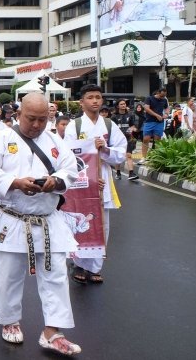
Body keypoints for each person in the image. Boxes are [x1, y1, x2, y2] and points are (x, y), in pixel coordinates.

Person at [0, 92, 82, 355]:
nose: (36, 125)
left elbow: (70, 169)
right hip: (12, 219)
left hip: (47, 221)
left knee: (56, 275)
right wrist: (15, 182)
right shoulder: (1, 139)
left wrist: (55, 182)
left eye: (42, 119)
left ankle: (52, 331)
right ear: (18, 114)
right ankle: (10, 321)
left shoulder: (55, 141)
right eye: (31, 119)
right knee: (9, 274)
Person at [64, 85, 126, 284]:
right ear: (82, 102)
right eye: (90, 97)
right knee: (81, 223)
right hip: (81, 182)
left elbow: (121, 153)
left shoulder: (109, 125)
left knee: (102, 225)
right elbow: (68, 155)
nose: (95, 101)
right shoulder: (75, 126)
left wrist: (105, 149)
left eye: (98, 97)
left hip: (103, 181)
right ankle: (79, 264)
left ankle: (95, 267)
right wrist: (88, 175)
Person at [110, 100, 138, 180]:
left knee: (128, 155)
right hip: (117, 139)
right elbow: (111, 128)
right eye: (121, 104)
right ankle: (118, 172)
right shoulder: (114, 116)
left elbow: (133, 126)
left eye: (124, 104)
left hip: (128, 138)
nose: (123, 105)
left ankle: (131, 173)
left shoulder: (130, 115)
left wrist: (132, 129)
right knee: (118, 156)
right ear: (118, 106)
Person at [140, 88, 168, 161]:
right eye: (162, 96)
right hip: (149, 121)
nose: (163, 97)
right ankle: (143, 157)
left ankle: (156, 157)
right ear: (158, 93)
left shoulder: (164, 100)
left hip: (159, 122)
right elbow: (146, 108)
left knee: (157, 140)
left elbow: (167, 107)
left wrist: (166, 114)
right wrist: (157, 115)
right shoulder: (149, 98)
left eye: (164, 96)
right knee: (146, 139)